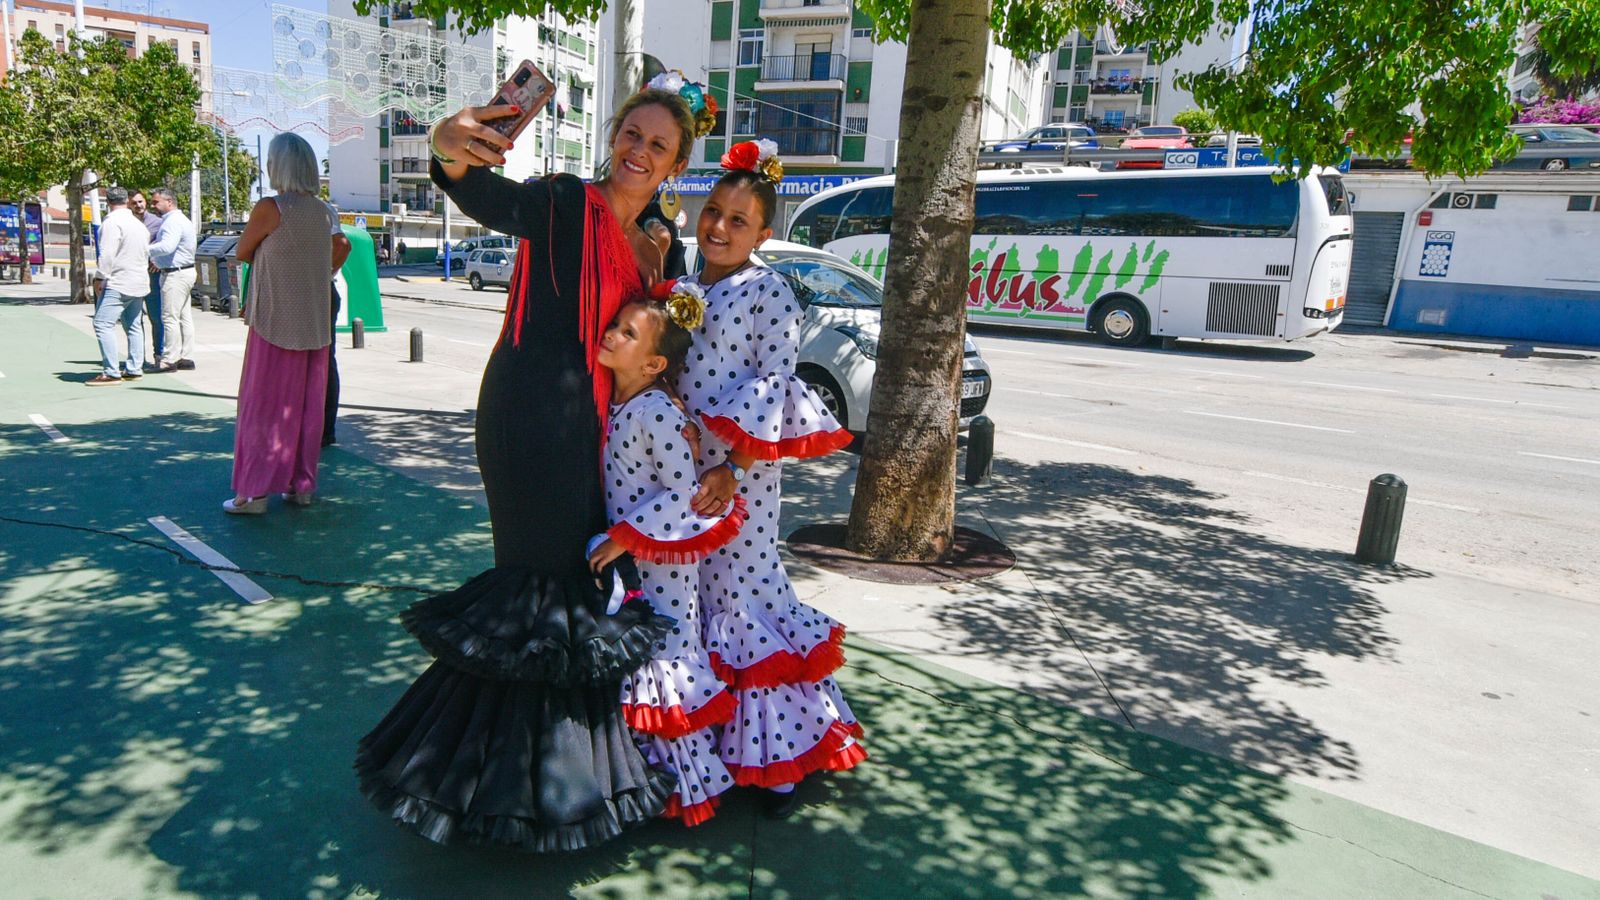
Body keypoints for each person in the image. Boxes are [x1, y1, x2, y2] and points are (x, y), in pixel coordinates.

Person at [355, 71, 719, 852]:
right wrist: (448, 149)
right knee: (542, 594)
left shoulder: (658, 244)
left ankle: (540, 778)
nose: (639, 151)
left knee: (574, 591)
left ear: (673, 166)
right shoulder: (562, 203)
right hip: (532, 418)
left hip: (598, 432)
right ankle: (508, 789)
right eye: (631, 134)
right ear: (613, 136)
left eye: (657, 145)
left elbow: (668, 354)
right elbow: (482, 194)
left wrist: (708, 451)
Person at [676, 142, 864, 819]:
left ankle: (780, 747)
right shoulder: (690, 288)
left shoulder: (769, 292)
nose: (719, 228)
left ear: (765, 232)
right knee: (697, 593)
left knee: (745, 591)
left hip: (741, 475)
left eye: (738, 220)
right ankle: (714, 737)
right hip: (689, 468)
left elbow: (772, 388)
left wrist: (734, 466)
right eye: (713, 213)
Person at [587, 288, 747, 827]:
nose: (611, 334)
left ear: (655, 363)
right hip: (642, 563)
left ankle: (680, 787)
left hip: (665, 567)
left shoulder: (655, 412)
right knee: (644, 667)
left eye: (627, 333)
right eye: (615, 325)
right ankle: (646, 780)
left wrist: (626, 539)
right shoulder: (627, 402)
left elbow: (682, 495)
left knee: (666, 665)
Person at [225, 133, 349, 514]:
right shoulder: (324, 211)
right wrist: (317, 270)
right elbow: (342, 246)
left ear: (278, 166)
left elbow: (244, 250)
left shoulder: (270, 207)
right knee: (305, 405)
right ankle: (301, 485)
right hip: (313, 317)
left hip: (274, 316)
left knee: (262, 402)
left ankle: (253, 492)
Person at [87, 186, 149, 386]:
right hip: (139, 281)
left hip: (119, 281)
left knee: (102, 323)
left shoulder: (112, 223)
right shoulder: (138, 224)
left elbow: (107, 254)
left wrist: (99, 277)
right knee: (133, 325)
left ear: (108, 201)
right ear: (127, 201)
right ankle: (134, 368)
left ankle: (111, 372)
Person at [148, 188, 198, 372]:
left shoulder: (172, 222)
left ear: (169, 202)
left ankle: (169, 359)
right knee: (184, 316)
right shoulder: (180, 220)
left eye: (156, 202)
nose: (153, 206)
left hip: (175, 274)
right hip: (185, 271)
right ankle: (186, 356)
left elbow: (167, 246)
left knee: (169, 317)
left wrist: (145, 249)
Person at [129, 190, 165, 364]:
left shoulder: (158, 223)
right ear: (129, 205)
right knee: (134, 318)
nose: (139, 205)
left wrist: (159, 261)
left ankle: (159, 354)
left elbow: (168, 244)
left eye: (141, 201)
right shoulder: (127, 223)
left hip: (152, 276)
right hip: (133, 274)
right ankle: (138, 357)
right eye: (134, 203)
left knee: (156, 317)